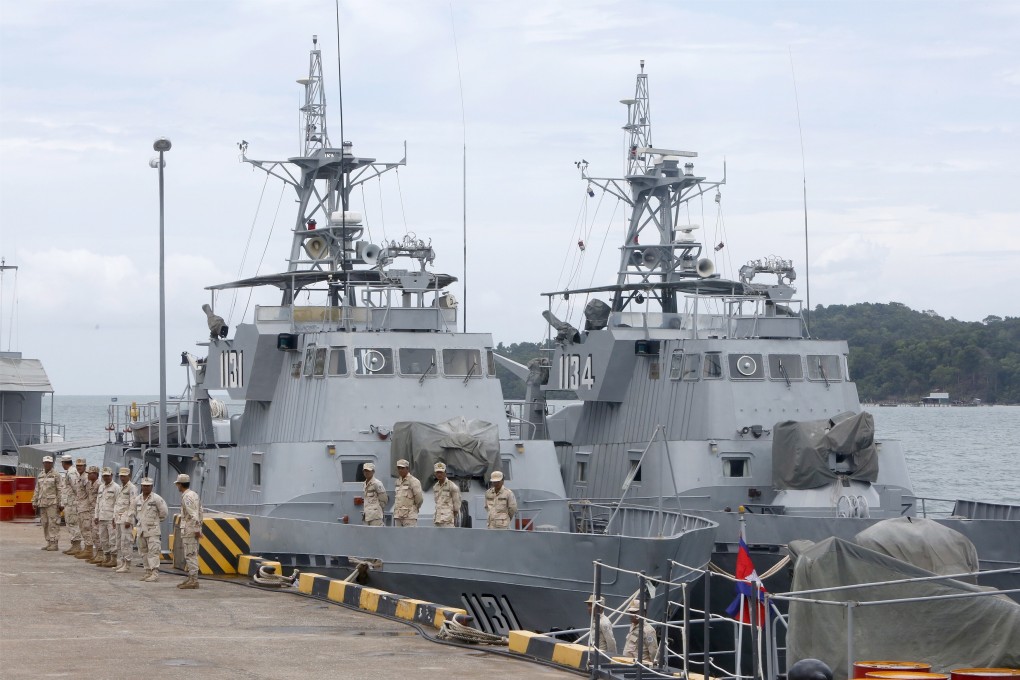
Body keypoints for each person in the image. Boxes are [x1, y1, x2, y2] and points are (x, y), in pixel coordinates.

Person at [134, 478, 168, 582]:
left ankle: (154, 573)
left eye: (148, 486)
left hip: (153, 531)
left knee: (153, 552)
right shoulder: (138, 499)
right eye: (144, 485)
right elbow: (136, 513)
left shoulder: (156, 499)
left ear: (152, 487)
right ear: (141, 486)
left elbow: (164, 513)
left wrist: (154, 522)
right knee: (143, 552)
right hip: (141, 530)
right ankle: (147, 571)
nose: (145, 487)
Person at [176, 473, 203, 589]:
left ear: (180, 484)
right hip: (192, 529)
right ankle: (191, 577)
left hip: (189, 530)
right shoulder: (194, 494)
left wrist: (196, 529)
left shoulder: (187, 497)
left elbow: (194, 514)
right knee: (191, 554)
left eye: (178, 484)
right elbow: (200, 511)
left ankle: (194, 580)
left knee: (190, 555)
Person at [31, 455, 63, 551]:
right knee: (45, 523)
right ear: (43, 463)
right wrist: (34, 500)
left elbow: (60, 489)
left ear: (52, 463)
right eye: (45, 463)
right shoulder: (41, 475)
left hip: (52, 503)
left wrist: (61, 503)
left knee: (53, 523)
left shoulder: (56, 475)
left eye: (49, 463)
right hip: (42, 503)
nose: (47, 464)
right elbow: (37, 489)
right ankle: (49, 541)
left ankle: (54, 543)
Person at [92, 467, 120, 566]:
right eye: (104, 476)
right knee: (103, 539)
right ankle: (106, 557)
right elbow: (98, 502)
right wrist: (96, 516)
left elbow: (118, 503)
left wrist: (114, 517)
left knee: (112, 539)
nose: (106, 477)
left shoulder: (116, 487)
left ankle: (113, 559)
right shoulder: (101, 487)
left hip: (110, 518)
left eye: (108, 476)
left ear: (111, 476)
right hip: (101, 517)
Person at [112, 468, 138, 573]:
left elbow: (133, 504)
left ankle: (127, 564)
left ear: (129, 476)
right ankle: (122, 562)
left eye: (124, 476)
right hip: (118, 519)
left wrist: (129, 519)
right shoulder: (121, 487)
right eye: (121, 476)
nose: (122, 478)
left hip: (126, 519)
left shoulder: (132, 488)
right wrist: (114, 518)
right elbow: (117, 504)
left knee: (126, 542)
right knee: (119, 542)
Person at [74, 464, 99, 560]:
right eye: (77, 466)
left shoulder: (93, 483)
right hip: (83, 507)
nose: (79, 467)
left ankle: (89, 550)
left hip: (89, 509)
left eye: (81, 466)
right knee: (84, 528)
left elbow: (90, 496)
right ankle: (87, 549)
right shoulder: (83, 479)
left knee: (87, 528)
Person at [59, 455, 82, 555]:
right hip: (70, 502)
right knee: (70, 523)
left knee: (73, 523)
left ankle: (77, 545)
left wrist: (76, 502)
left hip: (72, 504)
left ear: (64, 463)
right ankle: (74, 545)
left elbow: (76, 488)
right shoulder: (71, 471)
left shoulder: (71, 472)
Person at [392, 459, 423, 527]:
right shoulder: (398, 482)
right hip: (398, 516)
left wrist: (414, 509)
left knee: (410, 537)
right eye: (399, 468)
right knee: (399, 537)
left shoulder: (413, 481)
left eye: (402, 468)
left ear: (407, 469)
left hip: (409, 516)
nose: (400, 470)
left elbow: (419, 499)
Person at [432, 462, 461, 528]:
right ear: (435, 473)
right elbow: (437, 502)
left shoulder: (452, 486)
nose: (439, 474)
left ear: (445, 473)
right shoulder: (435, 487)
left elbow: (456, 505)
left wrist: (450, 516)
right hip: (437, 519)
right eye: (437, 472)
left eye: (441, 472)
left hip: (447, 521)